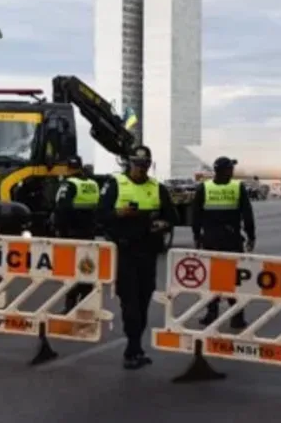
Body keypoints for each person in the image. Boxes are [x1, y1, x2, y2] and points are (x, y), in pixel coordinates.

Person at [97, 145, 178, 370]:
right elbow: (100, 215)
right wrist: (118, 214)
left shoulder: (157, 187)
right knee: (130, 302)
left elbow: (172, 217)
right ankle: (132, 349)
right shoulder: (115, 184)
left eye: (144, 165)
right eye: (136, 165)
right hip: (125, 252)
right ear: (129, 164)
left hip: (148, 252)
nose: (140, 170)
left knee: (143, 301)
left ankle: (136, 346)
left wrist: (161, 224)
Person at [192, 156, 255, 329]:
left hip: (210, 240)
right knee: (234, 279)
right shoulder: (237, 187)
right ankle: (237, 316)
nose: (232, 172)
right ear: (226, 171)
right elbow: (247, 215)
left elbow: (195, 216)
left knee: (211, 278)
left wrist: (197, 237)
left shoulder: (204, 188)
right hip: (232, 240)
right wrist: (251, 237)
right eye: (231, 169)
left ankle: (211, 313)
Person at [52, 156, 99, 313]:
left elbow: (61, 209)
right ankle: (85, 303)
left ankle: (70, 306)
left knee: (71, 271)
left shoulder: (69, 184)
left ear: (68, 168)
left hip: (71, 234)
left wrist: (58, 230)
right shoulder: (92, 184)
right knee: (87, 269)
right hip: (89, 233)